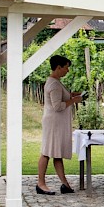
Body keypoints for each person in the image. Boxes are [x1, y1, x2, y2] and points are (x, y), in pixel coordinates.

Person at [36, 55, 83, 195]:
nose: (67, 70)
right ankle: (41, 183)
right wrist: (74, 100)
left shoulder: (55, 82)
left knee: (56, 153)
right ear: (58, 67)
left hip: (56, 123)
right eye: (66, 67)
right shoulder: (54, 84)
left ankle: (65, 184)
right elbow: (57, 106)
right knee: (47, 152)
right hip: (54, 123)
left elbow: (61, 97)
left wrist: (71, 95)